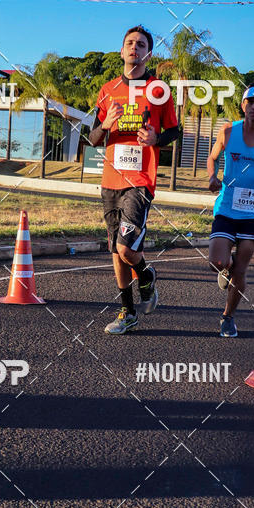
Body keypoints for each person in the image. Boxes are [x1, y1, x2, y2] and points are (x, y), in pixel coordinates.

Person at [89, 25, 179, 334]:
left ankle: (146, 274)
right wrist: (106, 124)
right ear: (121, 50)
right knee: (116, 251)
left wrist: (156, 138)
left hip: (140, 179)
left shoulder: (159, 90)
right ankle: (127, 312)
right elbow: (92, 138)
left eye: (141, 45)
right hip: (111, 178)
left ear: (148, 54)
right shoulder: (108, 89)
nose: (134, 48)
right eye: (129, 43)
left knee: (126, 249)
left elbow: (174, 131)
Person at [207, 85, 254, 337]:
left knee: (242, 265)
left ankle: (228, 317)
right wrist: (212, 177)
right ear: (243, 106)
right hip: (228, 205)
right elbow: (212, 158)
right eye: (250, 102)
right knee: (217, 261)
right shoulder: (227, 131)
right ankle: (226, 267)